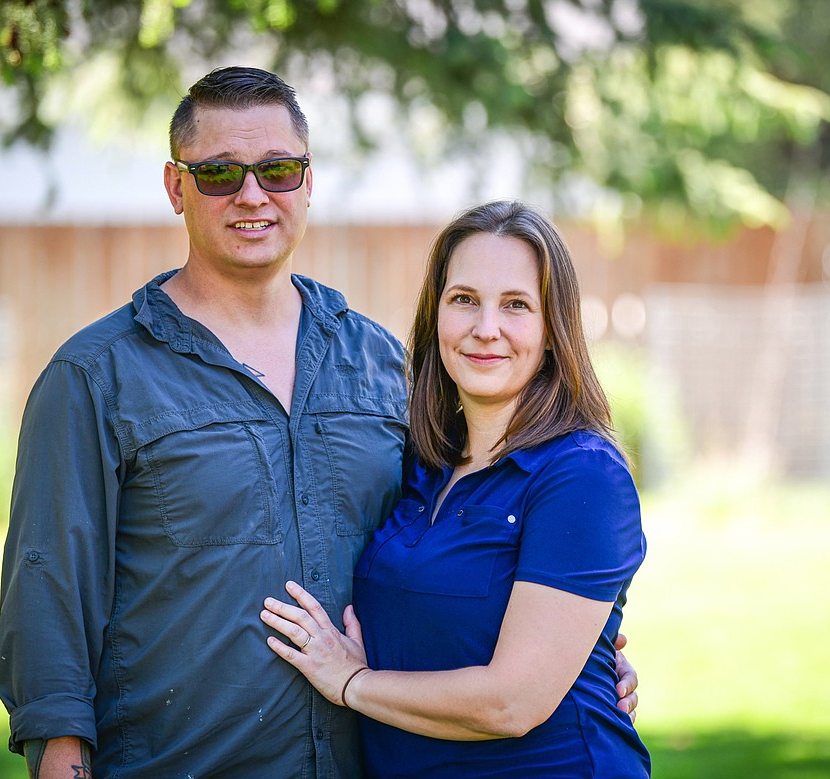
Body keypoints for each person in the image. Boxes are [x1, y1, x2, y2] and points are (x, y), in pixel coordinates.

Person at [0, 66, 639, 779]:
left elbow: (458, 561)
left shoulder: (378, 365)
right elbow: (48, 606)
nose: (251, 194)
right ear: (176, 187)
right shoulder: (95, 377)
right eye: (218, 173)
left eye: (276, 169)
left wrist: (572, 646)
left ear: (308, 182)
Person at [260, 199, 650, 777]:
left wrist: (352, 682)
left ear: (552, 330)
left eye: (516, 305)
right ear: (435, 314)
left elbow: (512, 701)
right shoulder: (421, 466)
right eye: (463, 299)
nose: (485, 329)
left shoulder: (582, 474)